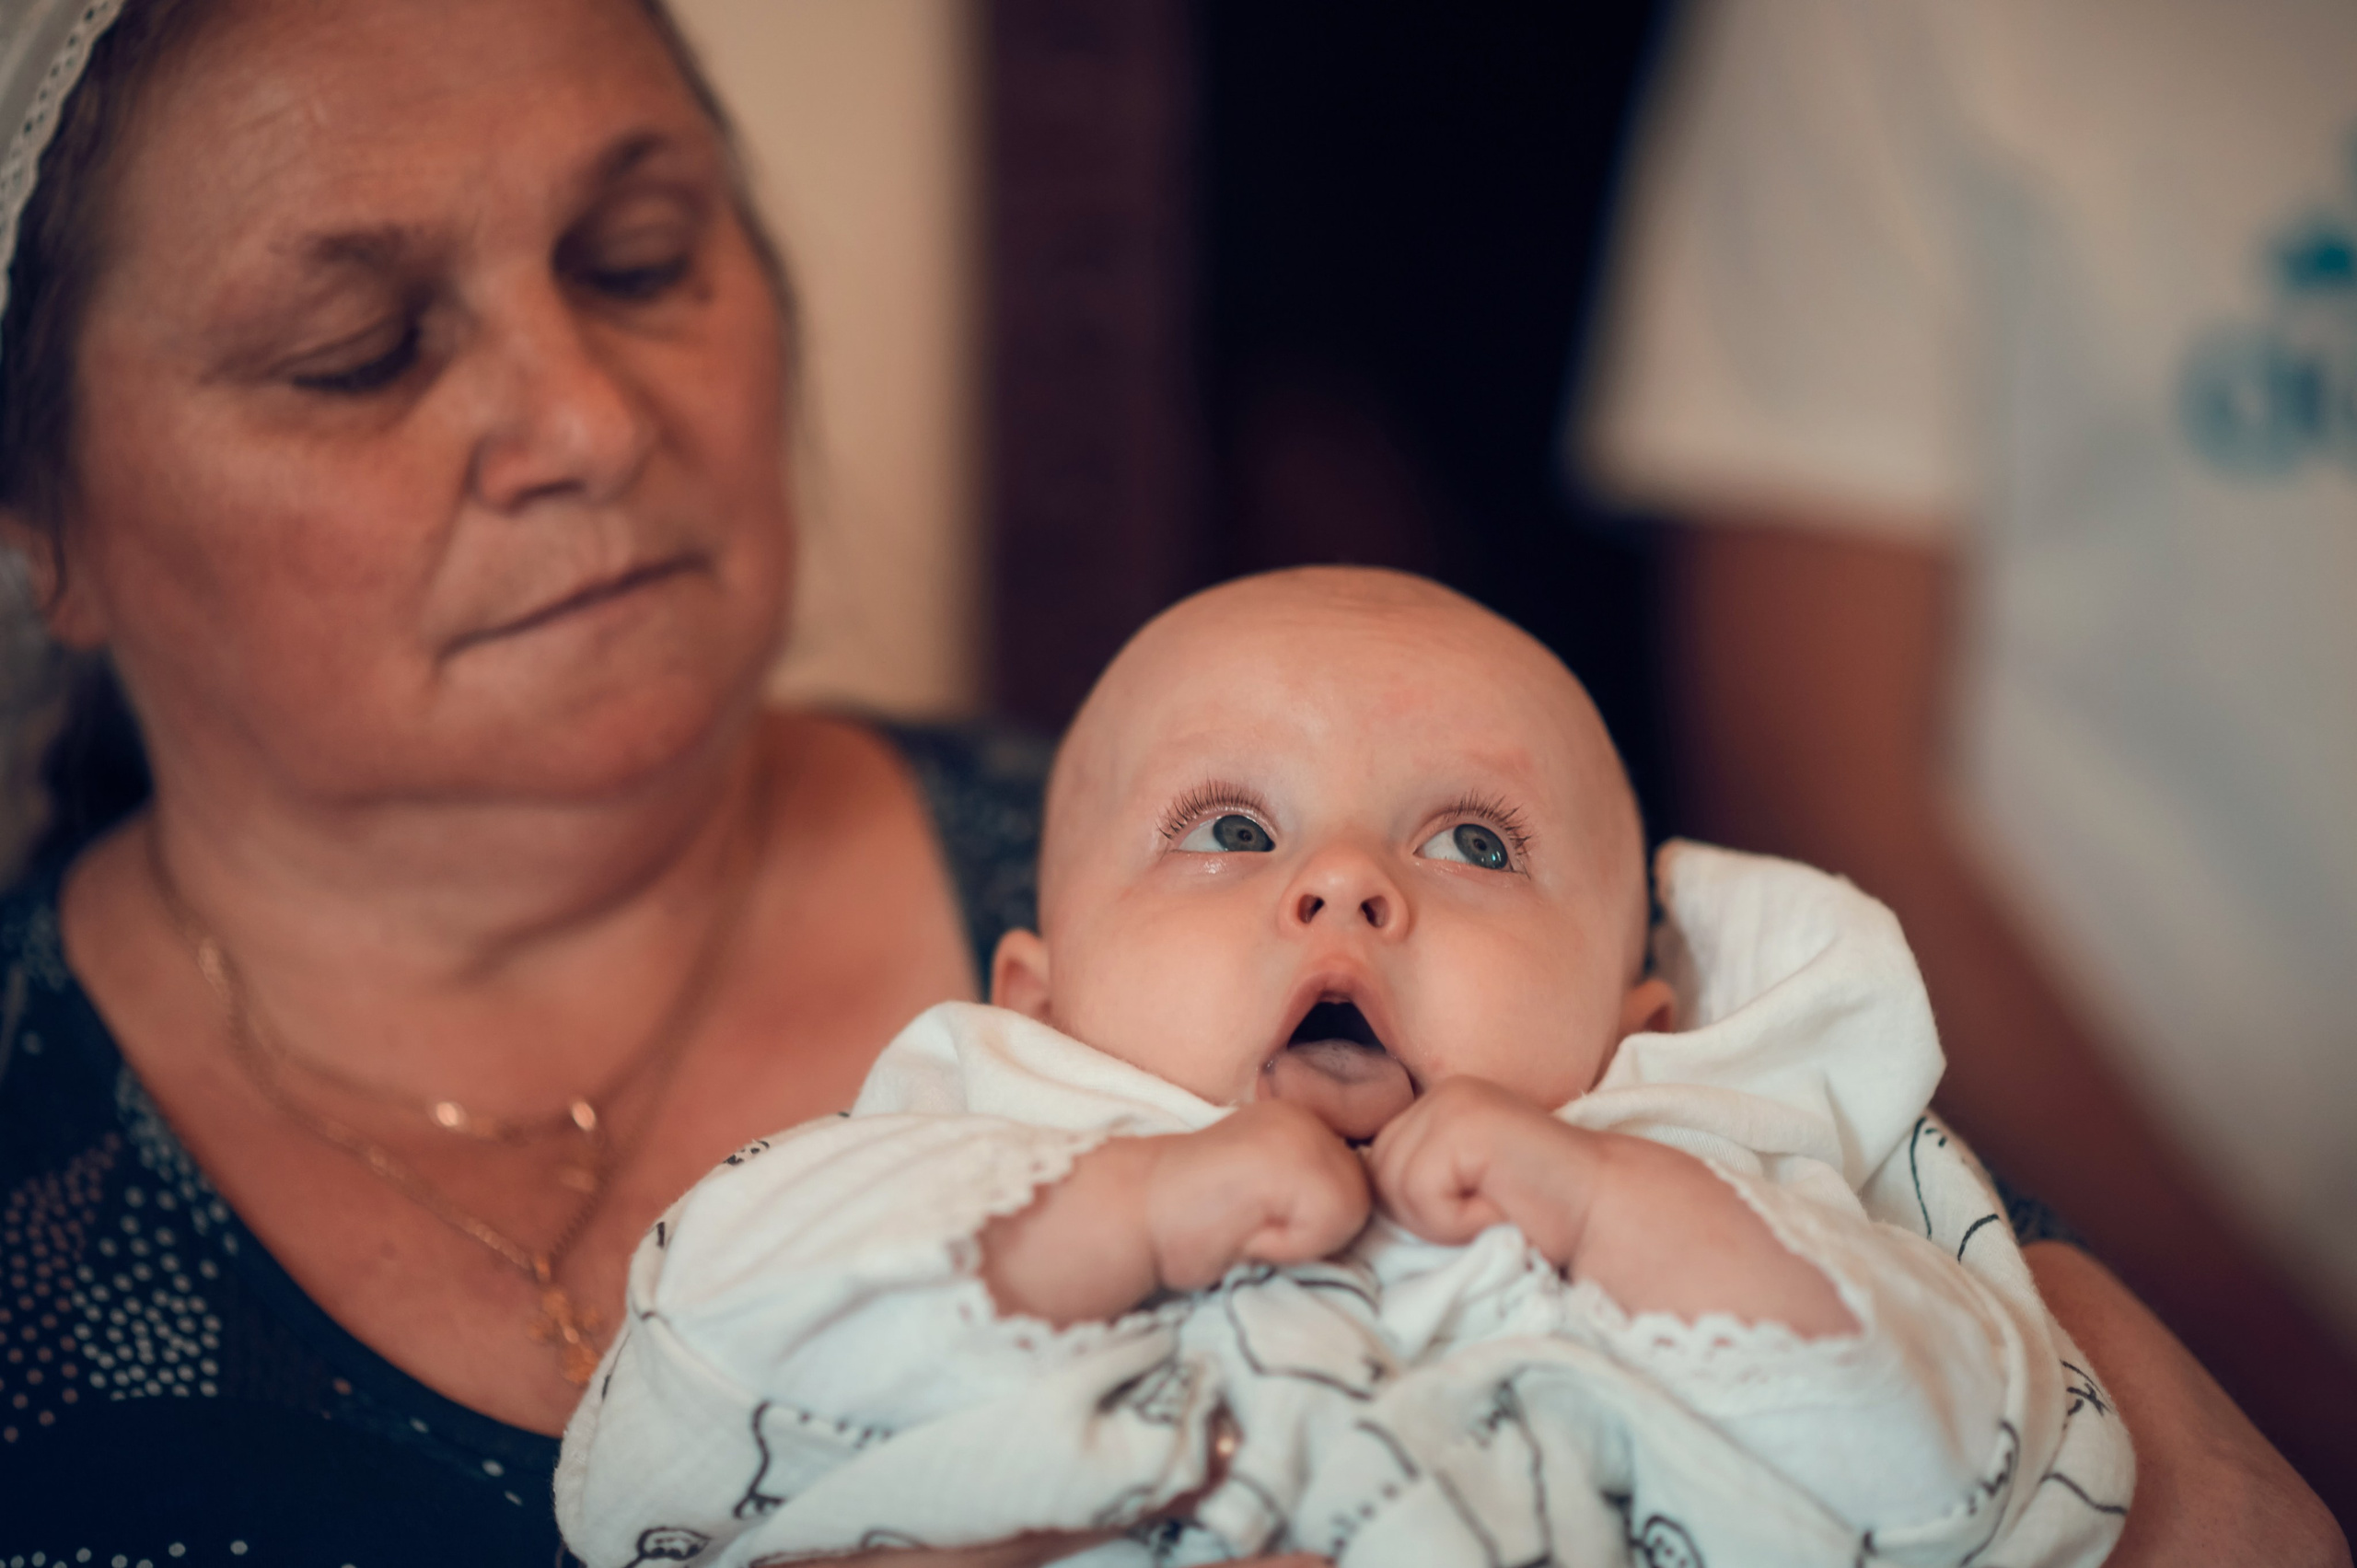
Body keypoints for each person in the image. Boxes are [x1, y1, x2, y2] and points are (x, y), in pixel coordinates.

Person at [0, 0, 2327, 1563]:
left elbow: (2044, 1453)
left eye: (638, 259)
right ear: (42, 522)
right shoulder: (1000, 1099)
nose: (587, 422)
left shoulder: (1640, 1051)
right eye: (356, 348)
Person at [560, 568, 2131, 1568]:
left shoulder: (1708, 1175)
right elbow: (660, 1437)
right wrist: (1120, 1221)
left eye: (1474, 844)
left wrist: (1614, 1205)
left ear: (1634, 1026)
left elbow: (1966, 1472)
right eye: (1234, 828)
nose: (1345, 884)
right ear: (1035, 1003)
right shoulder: (953, 1164)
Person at [1576, 0, 2357, 1525]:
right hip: (2125, 1337)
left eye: (1471, 843)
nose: (1348, 895)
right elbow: (1817, 805)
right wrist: (2297, 1407)